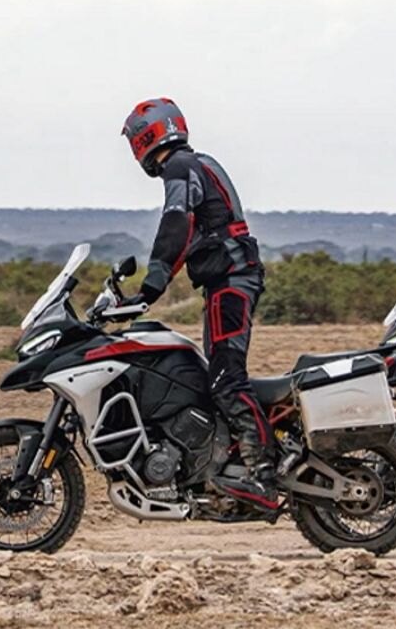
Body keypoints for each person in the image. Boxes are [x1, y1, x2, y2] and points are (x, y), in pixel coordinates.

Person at [119, 97, 276, 510]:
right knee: (214, 375)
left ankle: (264, 475)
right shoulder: (194, 164)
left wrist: (151, 284)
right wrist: (148, 291)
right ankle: (225, 459)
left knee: (226, 378)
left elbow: (175, 224)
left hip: (232, 281)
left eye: (135, 138)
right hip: (227, 280)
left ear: (148, 136)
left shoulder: (179, 167)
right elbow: (187, 236)